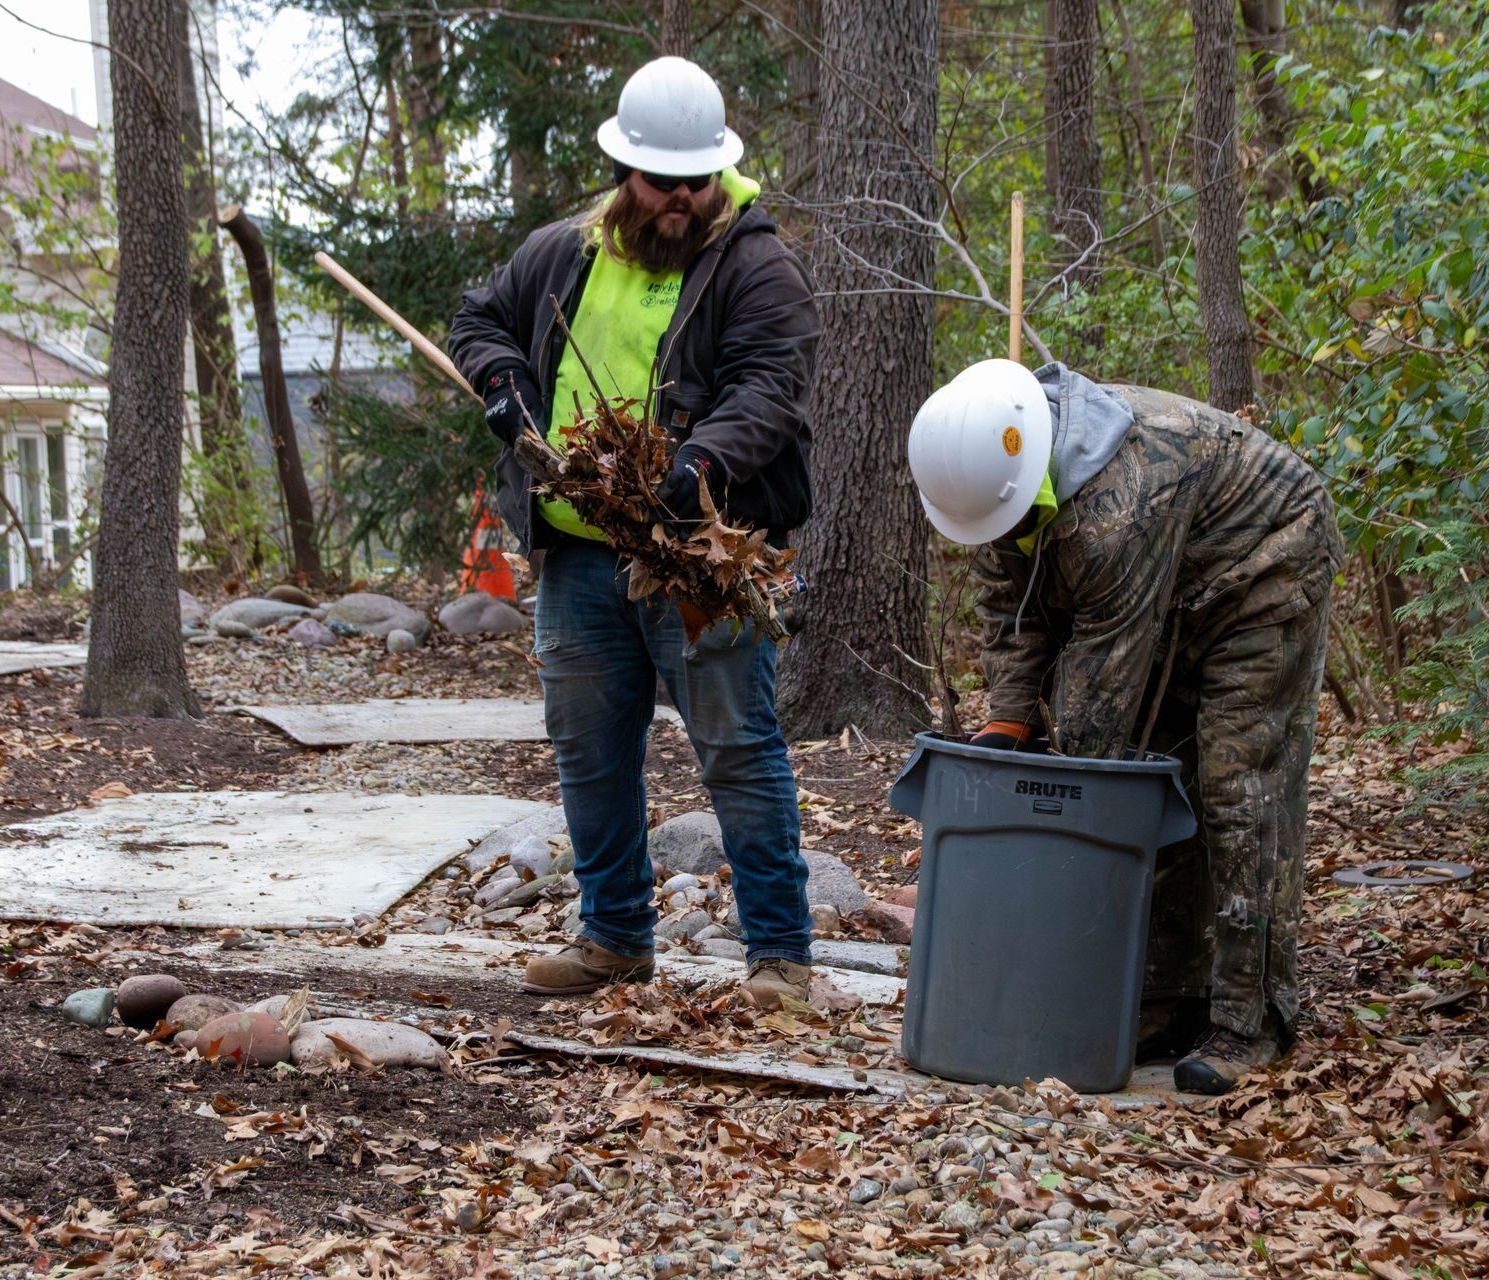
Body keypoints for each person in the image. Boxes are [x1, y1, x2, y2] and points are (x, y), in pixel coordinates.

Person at [449, 56, 820, 1010]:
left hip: (700, 552)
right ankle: (615, 937)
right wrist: (501, 383)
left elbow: (767, 387)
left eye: (699, 182)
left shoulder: (756, 263)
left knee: (738, 743)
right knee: (588, 745)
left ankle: (779, 956)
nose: (684, 201)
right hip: (580, 552)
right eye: (666, 184)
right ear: (626, 171)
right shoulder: (565, 250)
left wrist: (698, 465)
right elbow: (478, 317)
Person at [907, 359, 1343, 1094]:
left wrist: (1044, 820)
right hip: (1173, 585)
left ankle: (1252, 1017)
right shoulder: (989, 474)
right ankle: (1171, 996)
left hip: (1264, 567)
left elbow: (1097, 712)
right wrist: (1007, 724)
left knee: (1238, 782)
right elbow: (1009, 615)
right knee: (1158, 771)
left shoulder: (1116, 504)